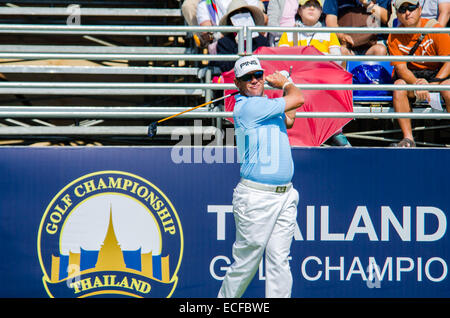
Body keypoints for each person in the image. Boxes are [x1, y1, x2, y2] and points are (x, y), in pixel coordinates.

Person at [217, 55, 304, 298]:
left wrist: (286, 92)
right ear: (238, 84)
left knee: (279, 260)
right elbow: (298, 97)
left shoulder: (265, 104)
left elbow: (288, 120)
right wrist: (286, 83)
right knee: (246, 264)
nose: (255, 81)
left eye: (258, 75)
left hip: (286, 194)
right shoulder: (248, 107)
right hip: (256, 197)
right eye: (248, 78)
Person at [277, 0, 351, 146]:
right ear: (299, 11)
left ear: (321, 11)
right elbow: (282, 60)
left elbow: (336, 62)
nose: (311, 8)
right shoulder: (289, 33)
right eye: (307, 5)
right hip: (298, 81)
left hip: (321, 81)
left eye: (316, 6)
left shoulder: (329, 34)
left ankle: (334, 130)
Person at [387, 0, 450, 147]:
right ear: (397, 14)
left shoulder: (435, 29)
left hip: (436, 76)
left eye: (411, 8)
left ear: (419, 9)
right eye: (402, 10)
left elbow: (448, 62)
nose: (407, 13)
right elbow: (401, 69)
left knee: (448, 88)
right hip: (412, 78)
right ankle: (408, 139)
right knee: (399, 86)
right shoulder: (394, 36)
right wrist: (417, 84)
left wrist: (432, 84)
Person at [212, 0, 269, 73]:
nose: (241, 17)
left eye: (244, 12)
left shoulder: (261, 41)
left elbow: (267, 64)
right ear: (230, 21)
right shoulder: (224, 43)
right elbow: (225, 67)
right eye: (236, 14)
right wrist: (240, 53)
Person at [323, 0, 392, 56]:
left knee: (380, 50)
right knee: (341, 51)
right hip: (346, 45)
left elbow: (385, 18)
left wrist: (367, 4)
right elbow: (331, 22)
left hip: (374, 44)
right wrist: (341, 36)